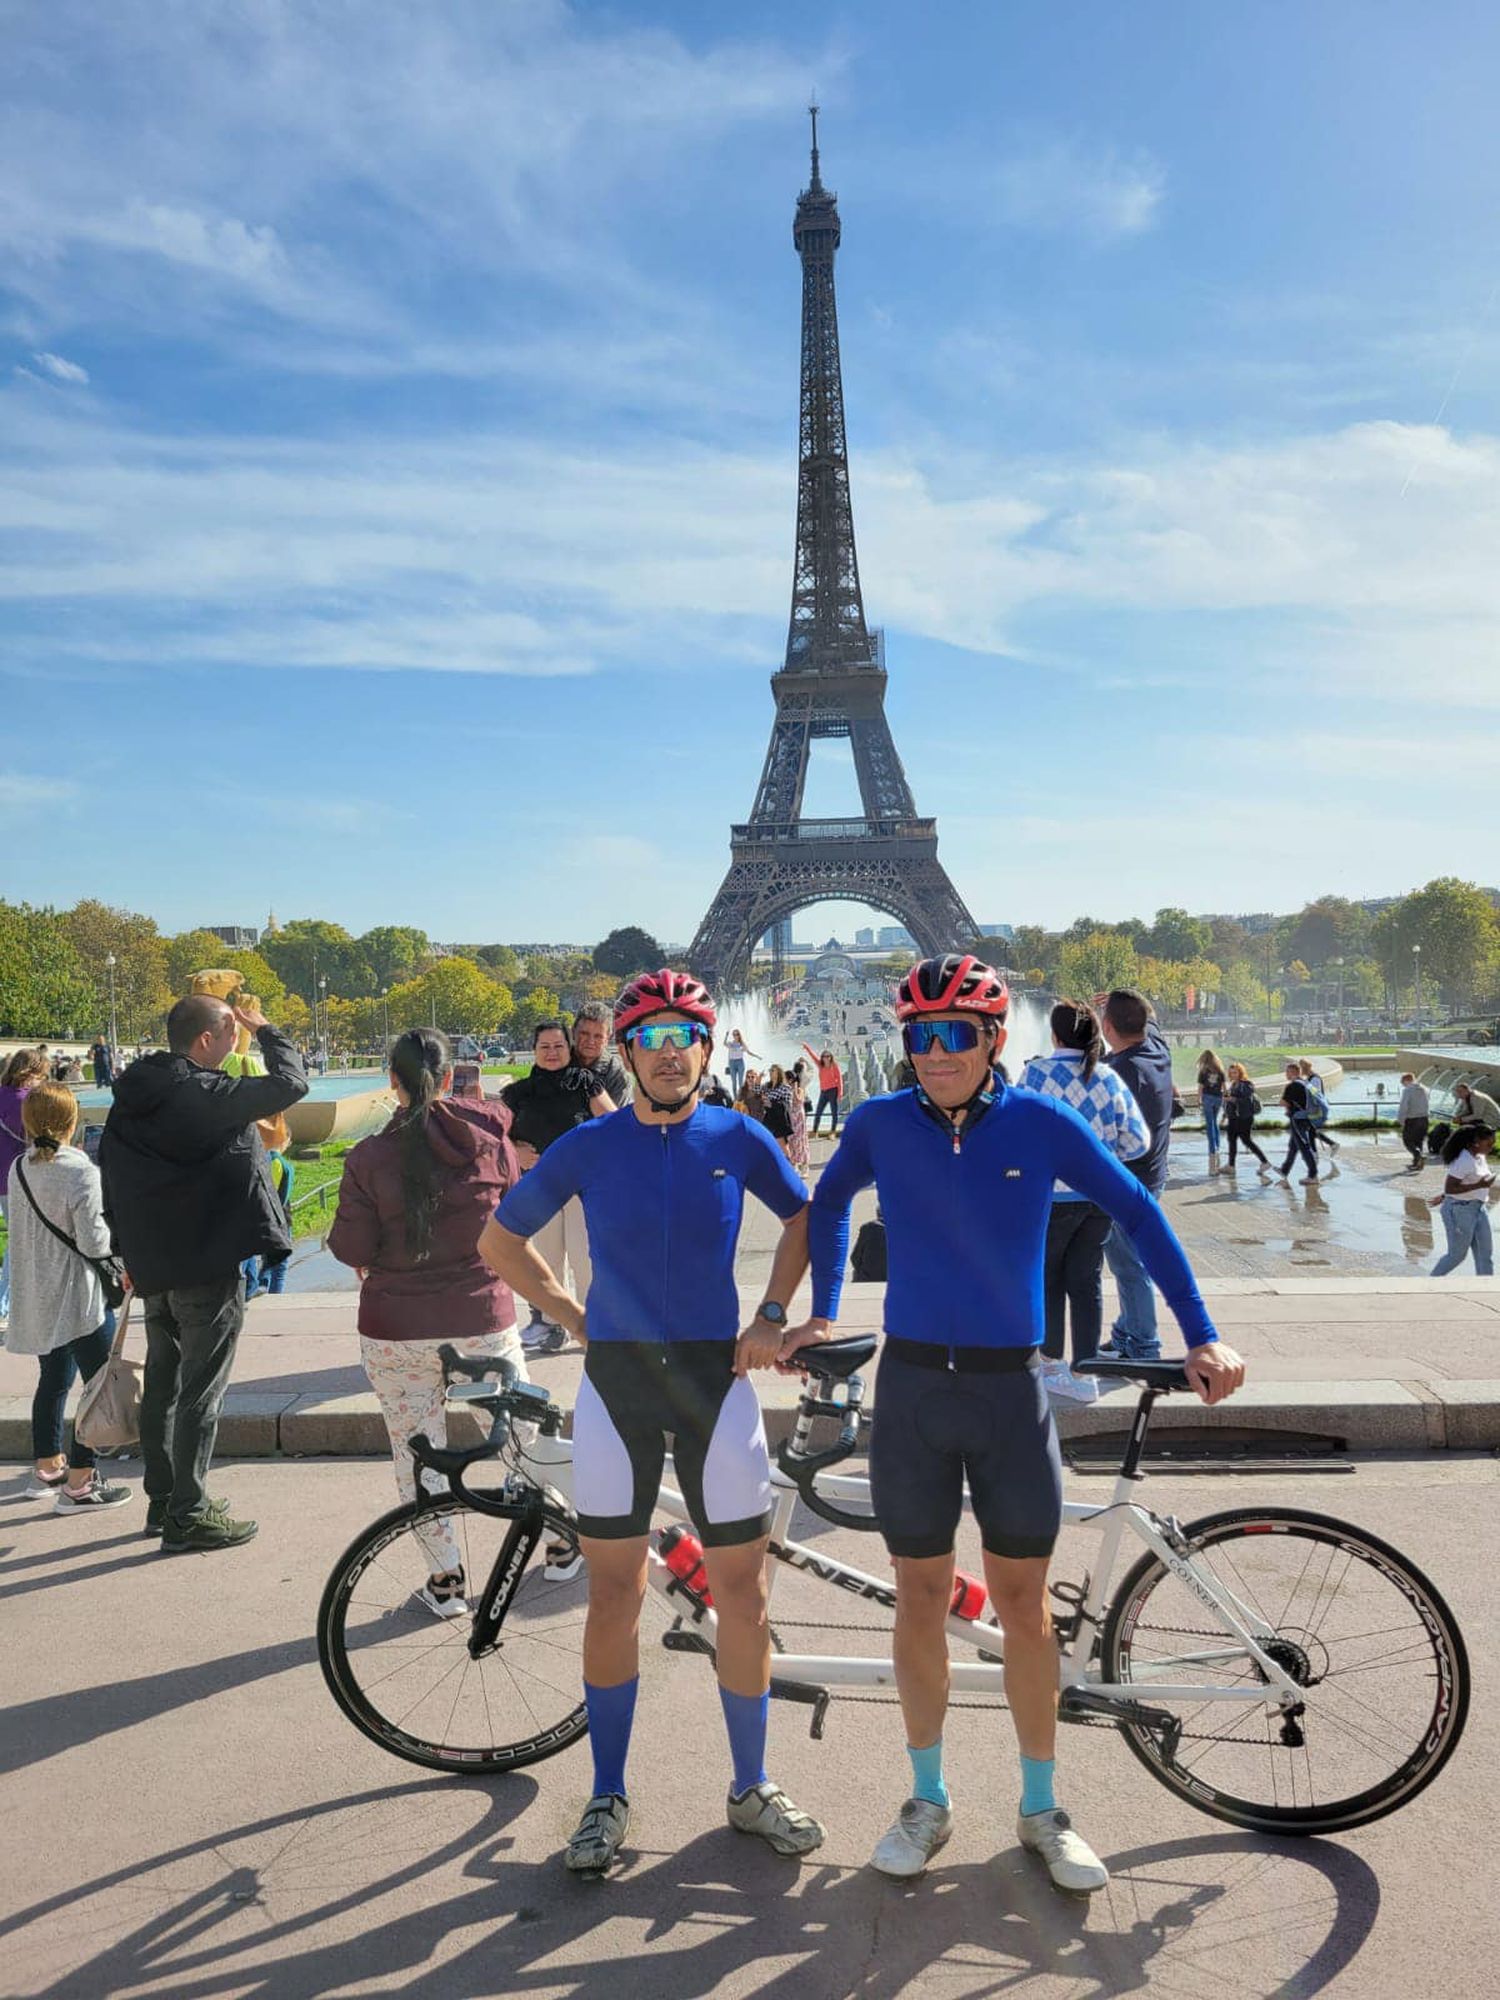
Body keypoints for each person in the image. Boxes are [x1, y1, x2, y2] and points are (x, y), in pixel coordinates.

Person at [788, 954, 1244, 1892]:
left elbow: (1139, 1211)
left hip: (1007, 1389)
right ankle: (927, 1801)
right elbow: (827, 1203)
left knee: (1027, 1611)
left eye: (956, 1033)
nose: (935, 1051)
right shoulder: (876, 1122)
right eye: (919, 1036)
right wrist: (821, 1309)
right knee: (918, 1600)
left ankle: (1041, 1809)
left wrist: (1202, 1334)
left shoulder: (1042, 1119)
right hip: (912, 1388)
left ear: (995, 1039)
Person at [479, 968, 824, 1875]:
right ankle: (605, 1794)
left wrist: (775, 1315)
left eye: (688, 1038)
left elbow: (806, 1218)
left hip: (716, 1381)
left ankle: (749, 1785)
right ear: (628, 1052)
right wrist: (575, 1315)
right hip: (619, 1383)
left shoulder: (739, 1133)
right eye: (653, 1039)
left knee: (744, 1597)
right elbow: (497, 1242)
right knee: (614, 1596)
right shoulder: (591, 1145)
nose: (671, 1054)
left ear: (709, 1050)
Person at [328, 1028, 529, 1614]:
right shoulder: (490, 1139)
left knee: (418, 1453)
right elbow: (515, 1217)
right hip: (481, 1315)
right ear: (448, 1078)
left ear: (391, 1081)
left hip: (396, 1328)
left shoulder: (368, 1157)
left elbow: (350, 1246)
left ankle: (446, 1582)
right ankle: (557, 1544)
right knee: (522, 1436)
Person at [98, 993, 308, 1551]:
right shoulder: (201, 1090)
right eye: (232, 1033)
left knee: (165, 1385)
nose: (237, 1041)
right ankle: (189, 1512)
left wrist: (126, 1255)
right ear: (206, 1039)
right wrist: (267, 1029)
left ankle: (164, 1501)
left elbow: (111, 1176)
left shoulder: (133, 1096)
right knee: (200, 1390)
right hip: (205, 1263)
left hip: (155, 1267)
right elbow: (290, 1084)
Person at [5, 1083, 131, 1509]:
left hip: (39, 1293)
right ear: (72, 1121)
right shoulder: (80, 1171)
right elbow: (95, 1243)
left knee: (53, 1381)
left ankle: (46, 1468)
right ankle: (79, 1481)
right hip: (79, 1297)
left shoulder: (20, 1168)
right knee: (99, 1387)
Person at [1021, 1001, 1150, 1404]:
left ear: (1055, 1035)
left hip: (1053, 1197)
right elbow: (1138, 1140)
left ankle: (1054, 1364)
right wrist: (1103, 1159)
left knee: (1049, 1280)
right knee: (1087, 1280)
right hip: (1098, 1197)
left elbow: (1017, 1131)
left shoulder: (1036, 1073)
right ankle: (1087, 1369)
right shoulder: (1108, 1076)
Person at [501, 1022, 614, 1354]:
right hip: (540, 1187)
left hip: (583, 1188)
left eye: (558, 1046)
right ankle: (552, 1324)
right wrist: (516, 1153)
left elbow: (614, 1125)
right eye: (544, 1047)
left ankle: (594, 1323)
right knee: (547, 1259)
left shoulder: (586, 1083)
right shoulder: (518, 1093)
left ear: (569, 1048)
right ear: (534, 1051)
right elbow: (495, 1136)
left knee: (585, 1259)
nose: (552, 1053)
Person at [1099, 989, 1176, 1362]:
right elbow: (1153, 1021)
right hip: (1153, 1174)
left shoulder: (1118, 1074)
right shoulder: (1158, 1051)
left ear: (1107, 1026)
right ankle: (1128, 1331)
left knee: (1129, 1266)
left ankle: (1144, 1343)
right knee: (1129, 1262)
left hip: (1128, 1184)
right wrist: (1137, 999)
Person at [0, 1047, 50, 1326]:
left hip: (3, 1176)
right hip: (18, 1178)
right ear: (30, 1073)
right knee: (21, 1242)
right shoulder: (27, 1102)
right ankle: (3, 1303)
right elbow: (36, 1141)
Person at [1428, 1124, 1495, 1277]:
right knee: (1457, 1256)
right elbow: (1450, 1187)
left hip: (1478, 1208)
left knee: (1485, 1256)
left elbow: (1460, 1184)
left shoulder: (1479, 1156)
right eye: (1489, 1144)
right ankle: (1429, 1285)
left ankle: (1485, 1290)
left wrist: (1446, 1196)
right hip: (1460, 1210)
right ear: (1476, 1141)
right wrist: (1480, 1185)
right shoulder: (1464, 1161)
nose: (1491, 1147)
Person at [572, 1001, 632, 1107]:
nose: (590, 1041)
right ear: (573, 1032)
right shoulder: (558, 1061)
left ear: (608, 1038)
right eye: (584, 1034)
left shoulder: (617, 1075)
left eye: (598, 1036)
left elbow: (614, 1120)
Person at [1223, 1062, 1273, 1175]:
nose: (1233, 1075)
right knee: (1232, 1140)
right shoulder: (1234, 1084)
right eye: (1231, 1073)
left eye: (1235, 1072)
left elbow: (1246, 1101)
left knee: (1246, 1140)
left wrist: (1232, 1099)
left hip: (1244, 1117)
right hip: (1234, 1117)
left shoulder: (1246, 1084)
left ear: (1240, 1072)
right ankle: (1231, 1165)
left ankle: (1265, 1162)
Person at [1276, 1063, 1320, 1184]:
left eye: (1287, 1072)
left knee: (1304, 1147)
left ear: (1293, 1072)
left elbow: (1283, 1102)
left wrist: (1286, 1104)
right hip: (1307, 1118)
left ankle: (1313, 1175)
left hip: (1297, 1119)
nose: (1286, 1074)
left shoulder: (1292, 1086)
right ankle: (1284, 1170)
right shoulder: (1306, 1083)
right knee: (1293, 1146)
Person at [1297, 1060, 1340, 1165]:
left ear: (1305, 1069)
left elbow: (1316, 1093)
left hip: (1316, 1109)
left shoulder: (1315, 1079)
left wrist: (1306, 1085)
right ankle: (1331, 1145)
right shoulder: (1310, 1079)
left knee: (1310, 1131)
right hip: (1312, 1109)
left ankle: (1315, 1154)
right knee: (1311, 1131)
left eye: (1301, 1068)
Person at [1196, 1049, 1227, 1175]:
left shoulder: (1203, 1071)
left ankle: (1212, 1149)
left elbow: (1201, 1087)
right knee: (1215, 1123)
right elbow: (1225, 1088)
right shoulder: (1220, 1071)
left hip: (1207, 1098)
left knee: (1210, 1124)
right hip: (1218, 1098)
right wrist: (1225, 1099)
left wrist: (1199, 1099)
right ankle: (1217, 1147)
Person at [801, 1045, 843, 1134]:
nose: (826, 1058)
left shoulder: (834, 1066)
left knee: (834, 1112)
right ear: (822, 1058)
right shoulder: (820, 1065)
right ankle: (815, 1131)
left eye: (828, 1056)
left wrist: (840, 1093)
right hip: (823, 1092)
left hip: (833, 1091)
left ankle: (833, 1132)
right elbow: (813, 1056)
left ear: (831, 1057)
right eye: (824, 1056)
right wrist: (807, 1047)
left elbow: (839, 1080)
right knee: (818, 1112)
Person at [760, 1064, 796, 1158]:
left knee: (783, 1146)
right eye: (770, 1070)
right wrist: (759, 1077)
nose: (770, 1072)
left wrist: (772, 1104)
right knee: (766, 1143)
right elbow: (756, 1090)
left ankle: (789, 1168)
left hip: (779, 1119)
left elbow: (788, 1105)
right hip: (768, 1118)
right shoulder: (767, 1086)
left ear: (778, 1073)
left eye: (773, 1070)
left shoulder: (785, 1088)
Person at [1398, 1073, 1431, 1171]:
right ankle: (1417, 1163)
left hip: (1412, 1119)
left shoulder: (1407, 1090)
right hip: (1424, 1118)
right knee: (1419, 1141)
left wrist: (1401, 1120)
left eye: (1403, 1083)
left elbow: (1404, 1106)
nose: (1403, 1085)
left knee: (1407, 1140)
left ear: (1406, 1080)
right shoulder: (1425, 1089)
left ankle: (1418, 1155)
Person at [787, 1059, 811, 1175]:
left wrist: (795, 1087)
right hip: (791, 1117)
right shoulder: (786, 1089)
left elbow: (799, 1099)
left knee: (801, 1141)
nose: (789, 1082)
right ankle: (794, 1163)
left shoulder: (800, 1089)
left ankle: (805, 1165)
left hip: (799, 1118)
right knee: (792, 1140)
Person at [723, 1029, 760, 1099]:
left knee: (740, 1082)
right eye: (734, 1034)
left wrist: (757, 1056)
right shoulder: (731, 1044)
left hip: (740, 1062)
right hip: (732, 1063)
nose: (735, 1036)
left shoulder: (742, 1044)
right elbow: (724, 1044)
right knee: (734, 1082)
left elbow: (748, 1052)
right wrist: (726, 1035)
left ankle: (741, 1097)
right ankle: (735, 1098)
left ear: (739, 1035)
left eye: (736, 1034)